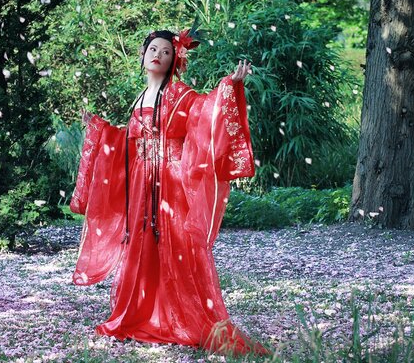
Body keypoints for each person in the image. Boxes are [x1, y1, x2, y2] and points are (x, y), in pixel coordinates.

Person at [70, 28, 268, 355]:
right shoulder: (139, 97)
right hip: (141, 182)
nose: (157, 54)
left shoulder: (181, 94)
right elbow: (127, 142)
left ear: (174, 60)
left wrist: (228, 87)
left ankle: (180, 318)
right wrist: (100, 129)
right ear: (143, 54)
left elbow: (207, 113)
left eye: (165, 51)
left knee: (175, 243)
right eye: (153, 49)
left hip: (171, 181)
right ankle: (139, 313)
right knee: (141, 246)